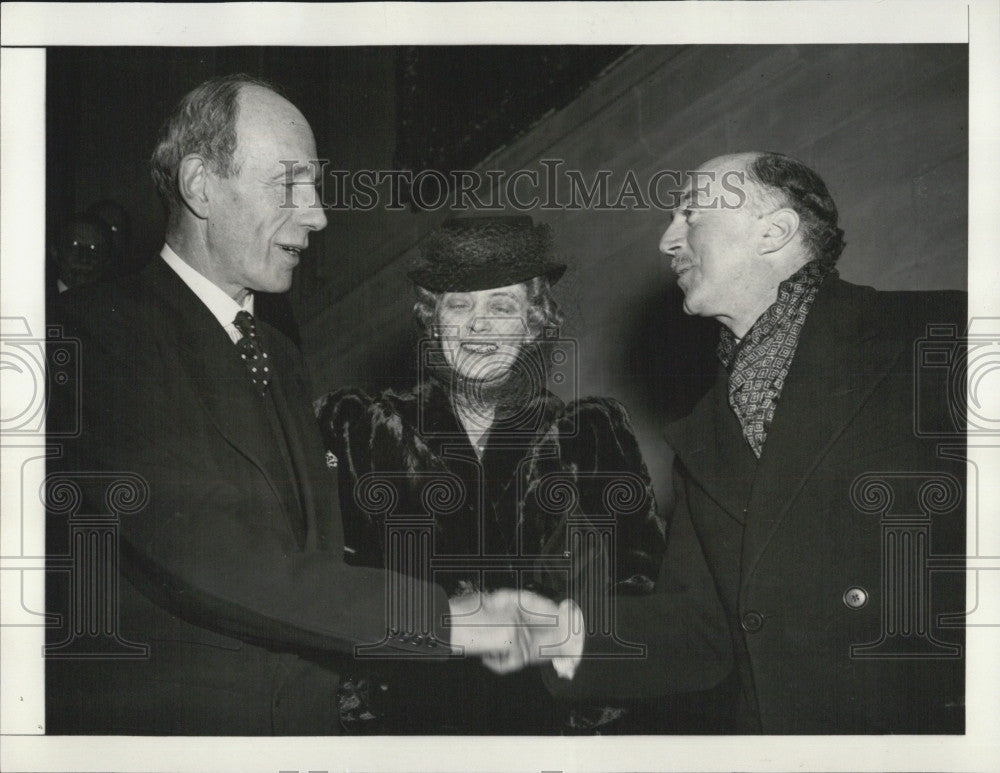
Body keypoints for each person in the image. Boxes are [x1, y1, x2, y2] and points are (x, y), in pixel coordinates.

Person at [45, 75, 519, 735]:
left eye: (317, 187)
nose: (319, 215)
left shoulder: (279, 351)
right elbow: (208, 558)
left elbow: (302, 558)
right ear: (201, 185)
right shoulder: (93, 332)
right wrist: (442, 616)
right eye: (291, 185)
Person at [507, 152, 966, 734]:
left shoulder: (945, 333)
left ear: (774, 231)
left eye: (692, 214)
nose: (667, 240)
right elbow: (699, 635)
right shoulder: (705, 433)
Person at [315, 215, 667, 732]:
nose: (479, 324)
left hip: (555, 731)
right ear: (434, 322)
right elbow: (325, 585)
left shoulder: (590, 435)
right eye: (460, 305)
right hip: (407, 733)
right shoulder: (364, 431)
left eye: (501, 306)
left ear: (533, 324)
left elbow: (638, 590)